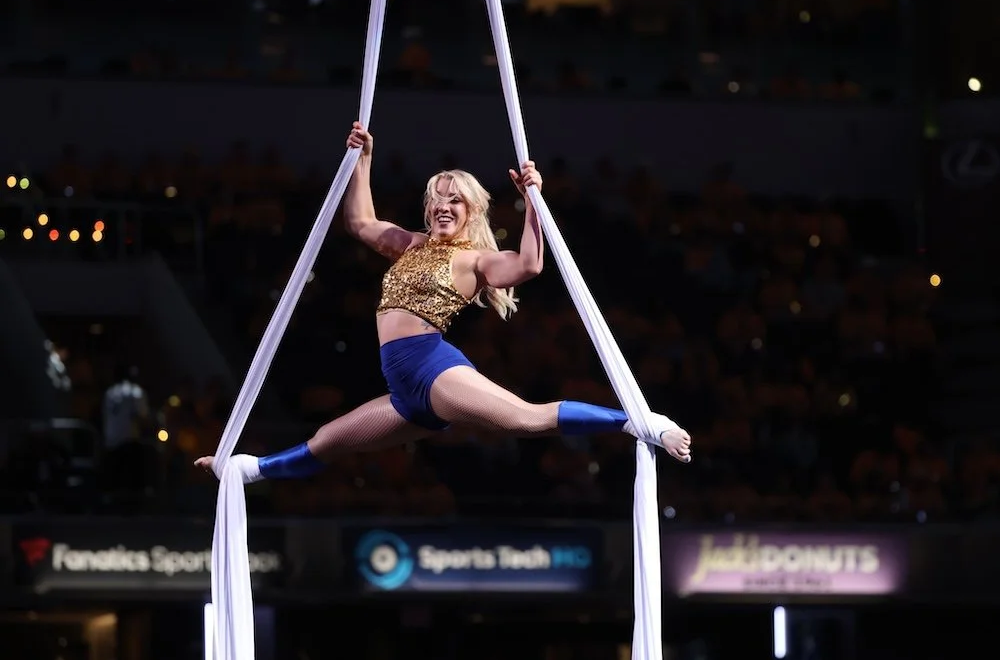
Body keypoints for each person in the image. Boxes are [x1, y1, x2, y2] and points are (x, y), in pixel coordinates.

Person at [195, 123, 691, 484]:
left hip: (434, 370)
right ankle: (242, 471)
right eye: (437, 198)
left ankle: (645, 424)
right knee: (329, 440)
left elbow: (528, 266)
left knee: (525, 418)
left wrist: (534, 205)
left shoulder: (475, 260)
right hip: (403, 389)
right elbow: (360, 224)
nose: (444, 205)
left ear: (470, 210)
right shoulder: (409, 244)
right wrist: (362, 160)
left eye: (455, 200)